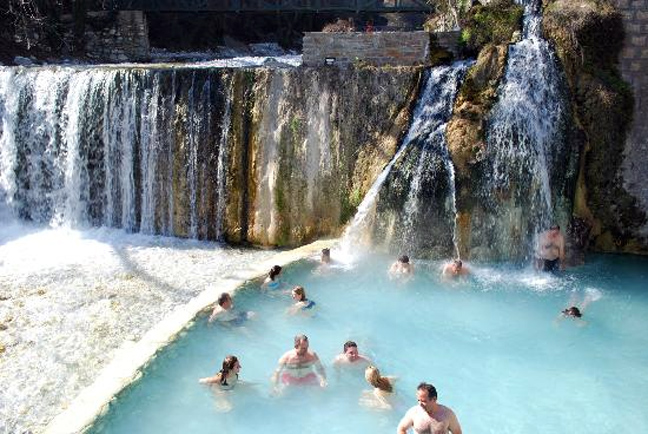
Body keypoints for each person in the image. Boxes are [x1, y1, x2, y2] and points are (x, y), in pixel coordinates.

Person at [397, 382, 462, 434]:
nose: (420, 404)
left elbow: (457, 433)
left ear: (434, 399)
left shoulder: (447, 414)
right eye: (418, 400)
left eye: (424, 401)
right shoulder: (414, 413)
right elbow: (401, 429)